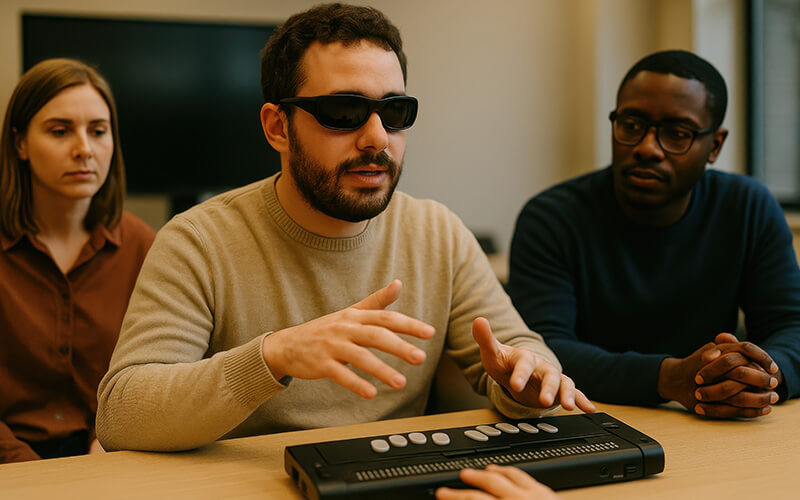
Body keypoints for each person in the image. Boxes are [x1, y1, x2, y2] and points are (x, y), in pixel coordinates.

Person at [95, 3, 593, 453]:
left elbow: (521, 350)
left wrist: (525, 382)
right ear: (276, 127)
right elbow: (122, 415)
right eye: (343, 112)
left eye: (395, 112)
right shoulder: (197, 241)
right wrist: (274, 356)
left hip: (394, 480)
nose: (377, 138)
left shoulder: (437, 232)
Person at [508, 50, 800, 419]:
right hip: (587, 418)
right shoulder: (551, 217)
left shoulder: (748, 207)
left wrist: (760, 377)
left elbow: (792, 326)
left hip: (712, 423)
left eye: (677, 134)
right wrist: (668, 378)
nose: (647, 148)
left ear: (715, 146)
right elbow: (543, 351)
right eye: (631, 124)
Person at [0, 58, 155, 463]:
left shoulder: (142, 244)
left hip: (109, 455)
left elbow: (158, 370)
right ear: (20, 143)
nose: (84, 149)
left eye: (98, 131)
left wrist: (106, 450)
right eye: (60, 131)